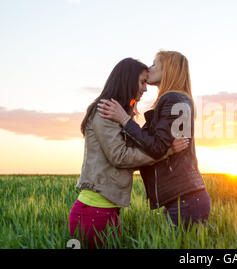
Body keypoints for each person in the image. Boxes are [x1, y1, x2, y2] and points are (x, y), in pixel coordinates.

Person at [69, 57, 189, 249]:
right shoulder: (104, 111)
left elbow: (138, 151)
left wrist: (129, 118)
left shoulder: (118, 112)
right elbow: (121, 157)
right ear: (127, 80)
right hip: (94, 209)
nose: (145, 88)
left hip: (107, 209)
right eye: (142, 82)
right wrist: (167, 151)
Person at [97, 51, 210, 229]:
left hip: (184, 198)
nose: (150, 69)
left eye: (155, 64)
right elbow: (152, 144)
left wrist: (124, 120)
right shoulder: (178, 99)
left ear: (169, 70)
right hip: (185, 196)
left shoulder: (171, 99)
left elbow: (157, 147)